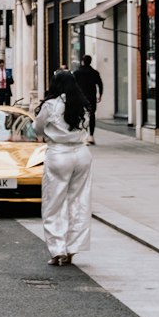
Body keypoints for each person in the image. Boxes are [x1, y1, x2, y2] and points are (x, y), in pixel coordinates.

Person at [37, 68, 93, 265]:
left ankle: (57, 249)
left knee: (54, 203)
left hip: (59, 153)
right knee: (79, 202)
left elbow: (37, 127)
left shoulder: (51, 105)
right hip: (82, 153)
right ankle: (72, 249)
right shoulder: (83, 104)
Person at [73, 54, 104, 142]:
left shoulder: (77, 73)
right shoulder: (94, 72)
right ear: (90, 61)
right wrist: (100, 95)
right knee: (92, 115)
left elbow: (73, 85)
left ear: (82, 61)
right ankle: (91, 135)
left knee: (81, 116)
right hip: (91, 97)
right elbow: (100, 84)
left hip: (80, 98)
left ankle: (84, 135)